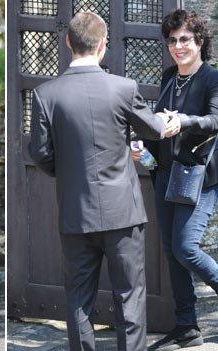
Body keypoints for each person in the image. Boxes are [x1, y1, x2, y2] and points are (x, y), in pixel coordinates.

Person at [28, 12, 177, 351]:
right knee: (130, 297)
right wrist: (173, 122)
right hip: (123, 212)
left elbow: (40, 153)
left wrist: (66, 172)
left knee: (79, 300)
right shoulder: (123, 88)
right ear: (103, 45)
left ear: (68, 42)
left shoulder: (45, 94)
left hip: (75, 213)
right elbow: (153, 130)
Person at [134, 9, 218, 350]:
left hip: (200, 177)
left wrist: (183, 121)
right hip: (167, 173)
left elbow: (216, 121)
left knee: (185, 247)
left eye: (185, 39)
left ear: (200, 41)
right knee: (171, 252)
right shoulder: (170, 76)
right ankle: (187, 327)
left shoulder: (215, 79)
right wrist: (144, 146)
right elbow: (160, 126)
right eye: (172, 40)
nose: (178, 45)